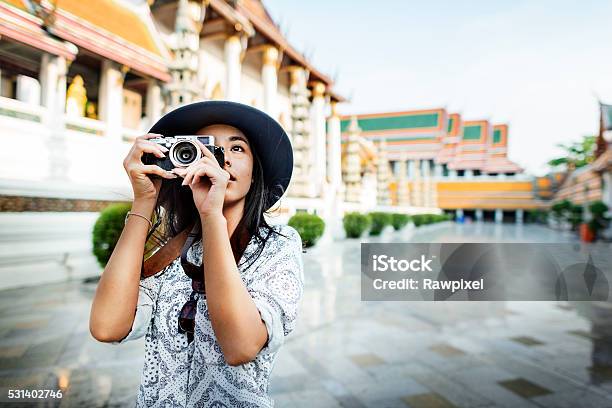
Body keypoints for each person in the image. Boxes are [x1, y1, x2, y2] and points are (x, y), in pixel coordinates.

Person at [89, 101, 304, 407]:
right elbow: (106, 326)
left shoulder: (279, 244)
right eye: (206, 148)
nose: (220, 160)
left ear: (256, 173)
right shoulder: (172, 249)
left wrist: (212, 215)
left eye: (237, 149)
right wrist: (144, 201)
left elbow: (240, 346)